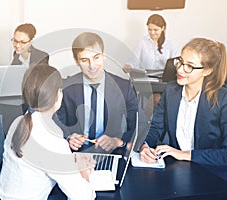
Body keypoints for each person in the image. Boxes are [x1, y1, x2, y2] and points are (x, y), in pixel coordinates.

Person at [0, 64, 96, 199]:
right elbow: (84, 196)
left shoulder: (18, 122)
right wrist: (83, 172)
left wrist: (70, 161)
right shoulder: (52, 140)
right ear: (58, 95)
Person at [140, 37, 227, 166]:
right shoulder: (171, 90)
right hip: (179, 167)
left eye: (189, 66)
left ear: (207, 71)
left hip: (212, 171)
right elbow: (155, 128)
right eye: (180, 62)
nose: (180, 70)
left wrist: (185, 154)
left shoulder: (222, 99)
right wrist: (145, 146)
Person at [54, 32, 138, 153]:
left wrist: (119, 141)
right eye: (84, 60)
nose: (92, 66)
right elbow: (54, 120)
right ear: (76, 61)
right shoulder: (66, 87)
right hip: (75, 153)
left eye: (96, 57)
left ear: (104, 55)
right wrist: (68, 137)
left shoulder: (124, 87)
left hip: (112, 151)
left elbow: (138, 124)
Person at [123, 14, 177, 116]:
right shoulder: (142, 42)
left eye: (155, 30)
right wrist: (128, 66)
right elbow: (132, 60)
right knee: (156, 99)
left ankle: (152, 123)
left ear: (163, 28)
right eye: (149, 30)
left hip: (163, 82)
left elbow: (174, 64)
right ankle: (150, 123)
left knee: (158, 99)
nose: (152, 33)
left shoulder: (170, 44)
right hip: (146, 82)